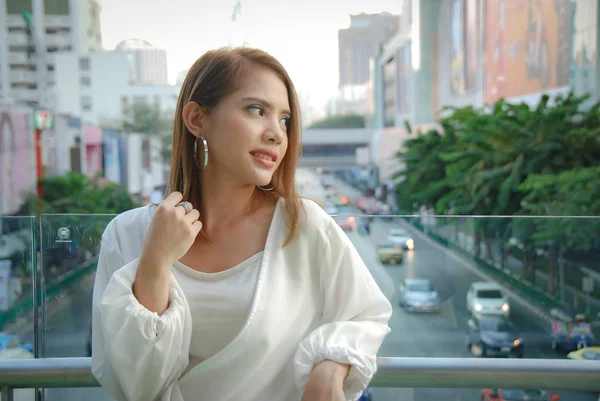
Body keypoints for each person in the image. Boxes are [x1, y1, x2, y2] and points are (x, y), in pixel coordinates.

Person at [91, 47, 392, 401]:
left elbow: (366, 316)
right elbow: (136, 385)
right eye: (256, 110)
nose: (276, 134)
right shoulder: (127, 235)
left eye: (284, 120)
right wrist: (155, 261)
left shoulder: (305, 227)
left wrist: (330, 368)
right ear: (197, 119)